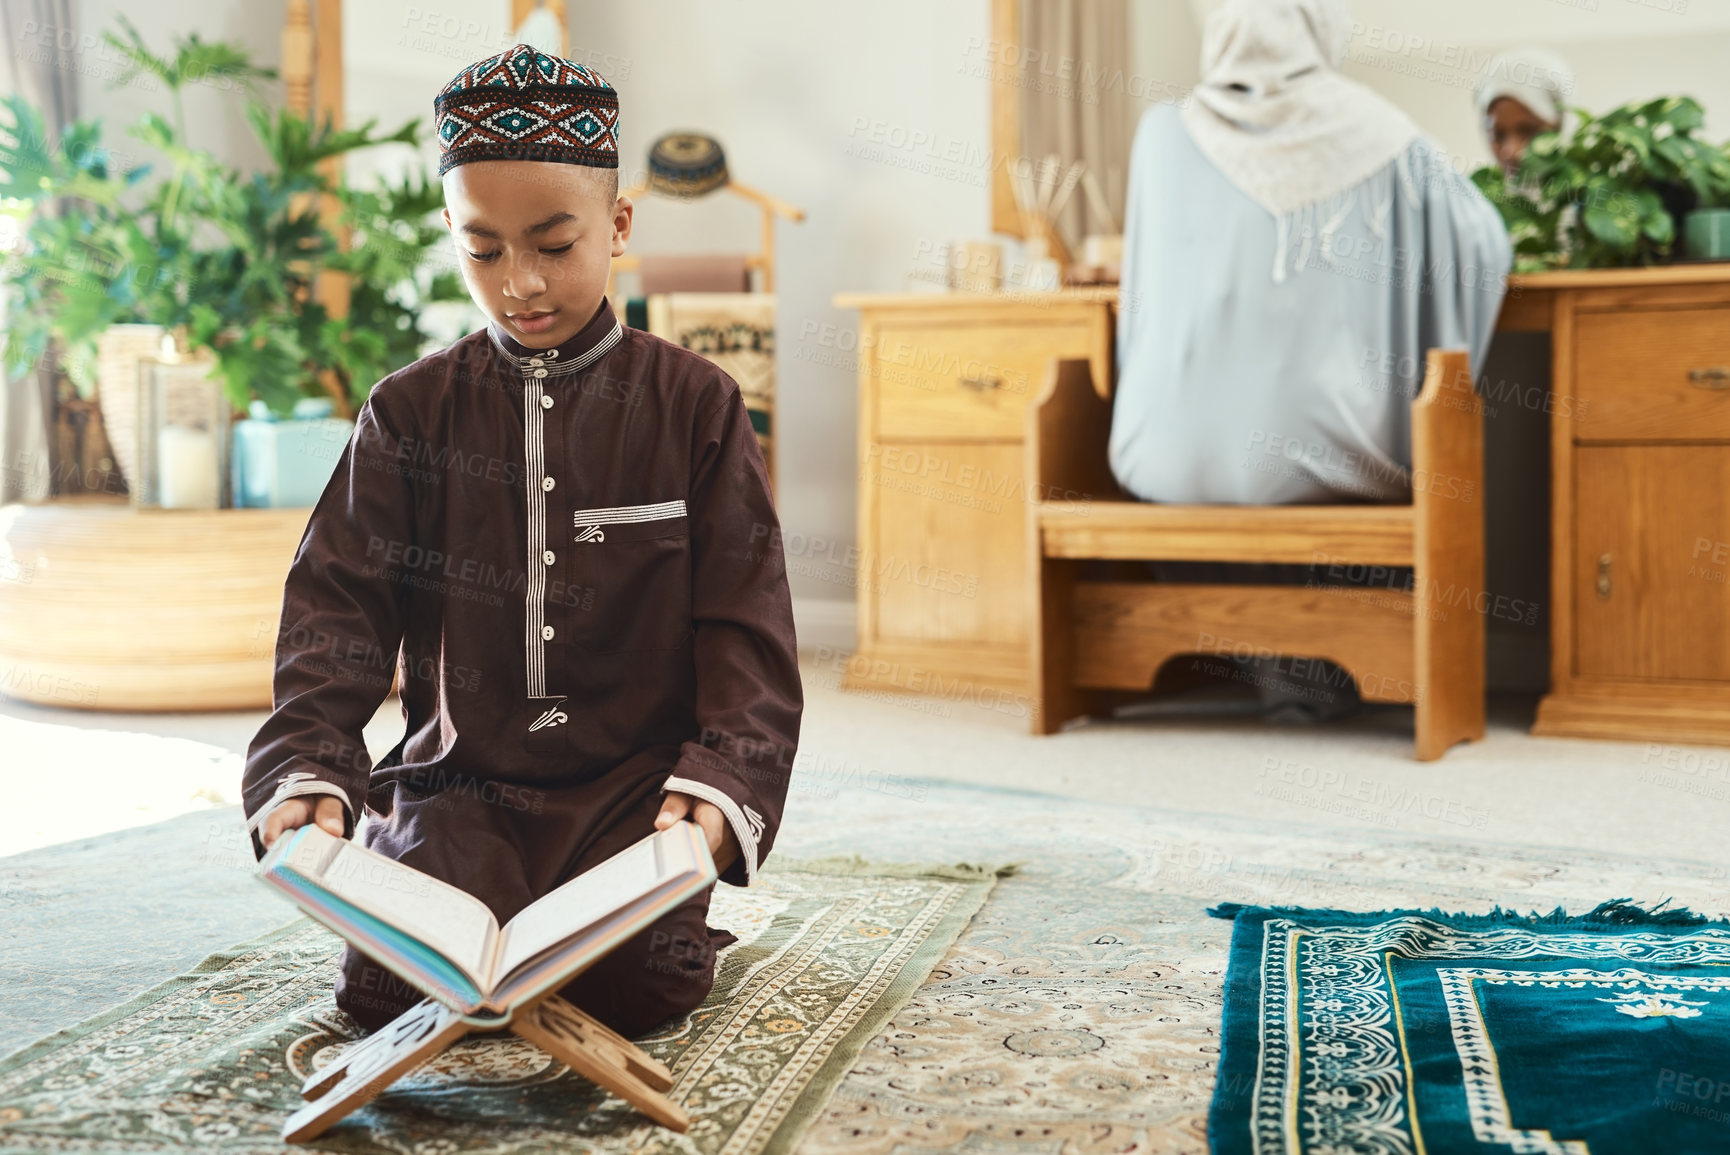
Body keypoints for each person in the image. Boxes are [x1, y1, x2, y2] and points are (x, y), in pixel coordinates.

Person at [240, 44, 803, 1038]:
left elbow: (744, 627)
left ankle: (662, 918)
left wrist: (720, 787)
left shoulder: (696, 406)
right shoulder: (408, 410)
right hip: (458, 786)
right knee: (381, 992)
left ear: (616, 224)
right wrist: (308, 765)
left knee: (642, 987)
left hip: (634, 795)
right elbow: (338, 606)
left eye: (553, 243)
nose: (521, 282)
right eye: (483, 249)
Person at [1107, 0, 1511, 720]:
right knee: (1342, 447)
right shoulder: (1380, 134)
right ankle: (1313, 666)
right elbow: (1482, 245)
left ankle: (1279, 664)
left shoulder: (1160, 133)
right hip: (1316, 456)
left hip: (1162, 454)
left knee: (1229, 450)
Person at [1475, 48, 1574, 178]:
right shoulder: (1476, 195)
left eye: (1528, 131)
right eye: (1498, 135)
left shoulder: (1593, 193)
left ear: (1562, 124)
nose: (1511, 152)